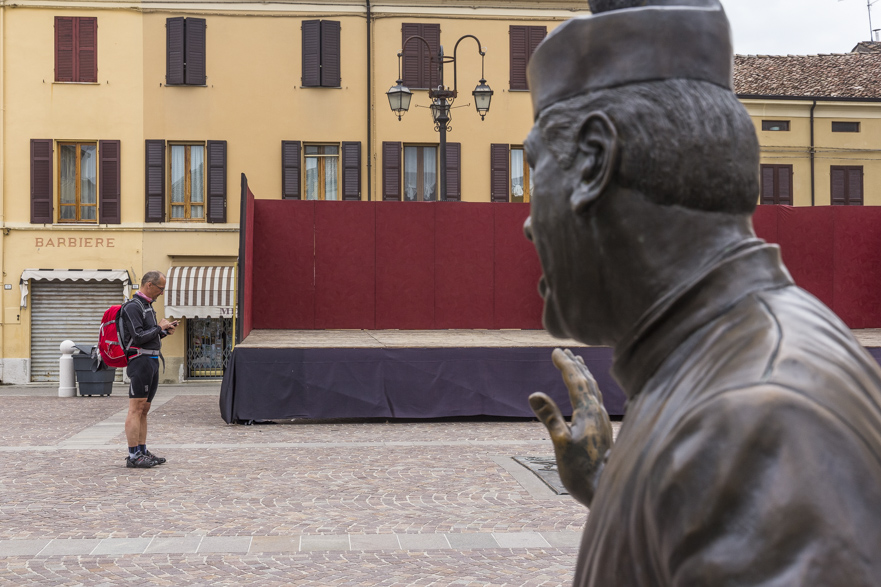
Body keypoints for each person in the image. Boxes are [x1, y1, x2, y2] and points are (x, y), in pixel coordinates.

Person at [523, 0, 881, 585]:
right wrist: (619, 483)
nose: (529, 222)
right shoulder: (732, 375)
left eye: (533, 171)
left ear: (592, 161)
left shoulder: (755, 420)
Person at [122, 271, 177, 468]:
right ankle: (133, 455)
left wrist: (163, 331)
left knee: (144, 409)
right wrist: (158, 327)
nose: (162, 293)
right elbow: (137, 337)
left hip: (151, 359)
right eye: (160, 288)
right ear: (149, 285)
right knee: (135, 409)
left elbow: (148, 335)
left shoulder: (147, 306)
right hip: (140, 361)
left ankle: (142, 450)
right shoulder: (133, 306)